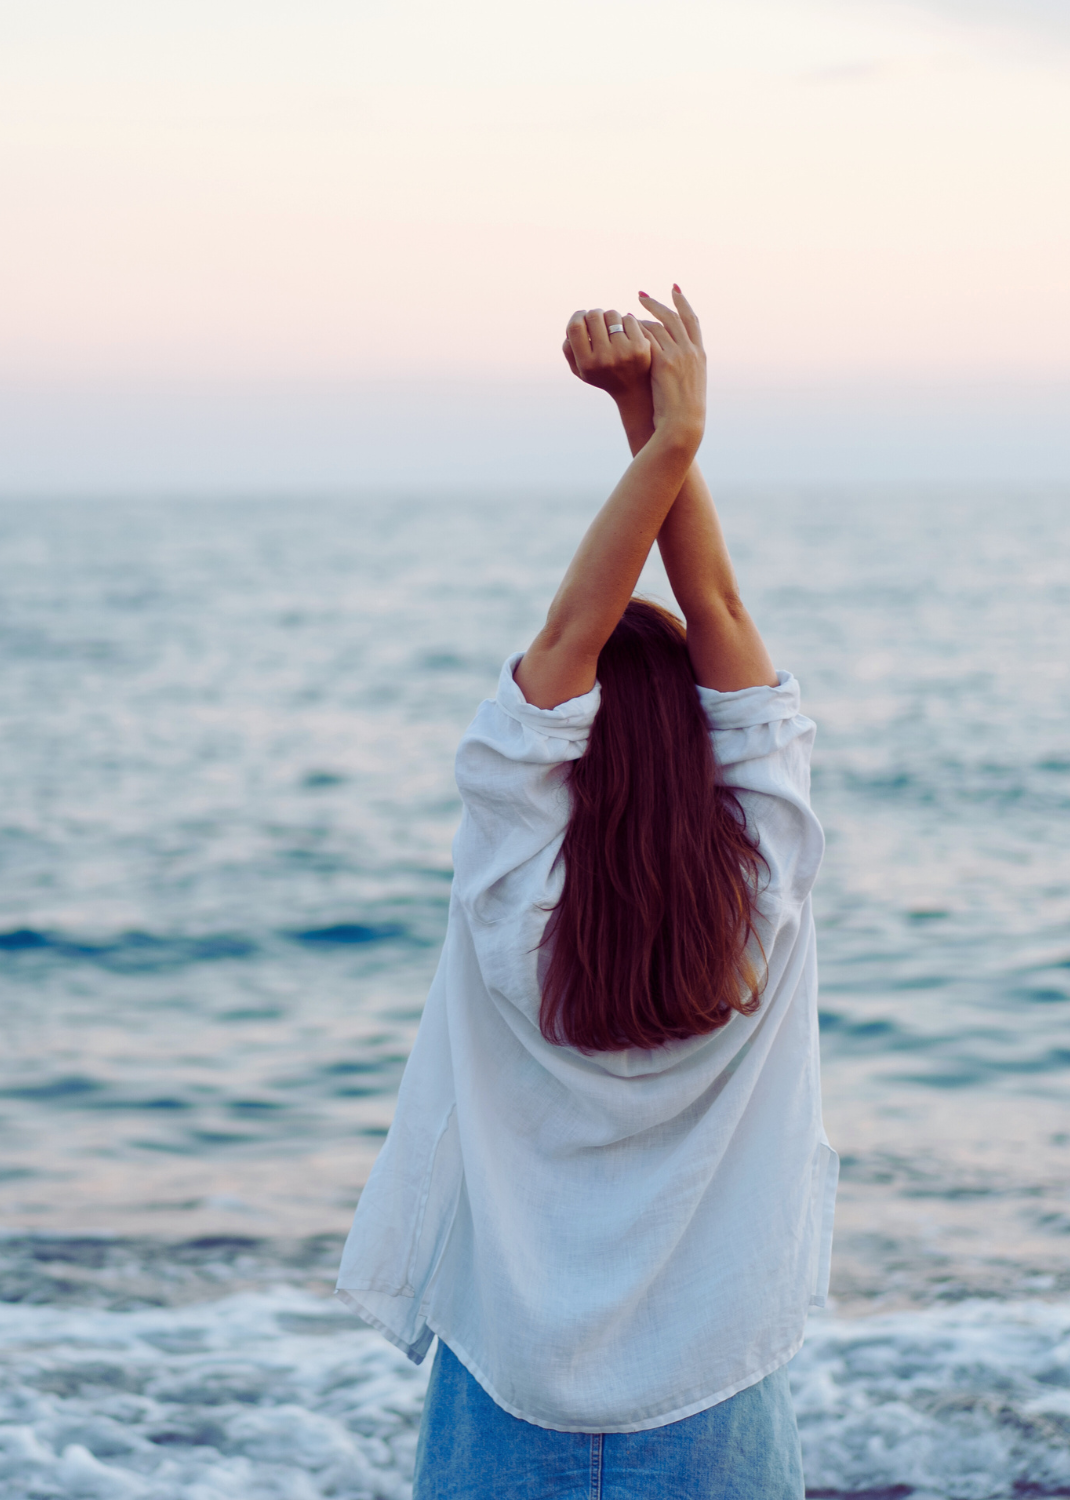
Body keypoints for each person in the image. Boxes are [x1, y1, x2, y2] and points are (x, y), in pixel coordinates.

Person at [334, 289, 834, 1499]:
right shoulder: (761, 883)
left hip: (509, 1383)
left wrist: (656, 437)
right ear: (698, 753)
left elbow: (570, 638)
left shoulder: (511, 887)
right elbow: (715, 611)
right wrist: (664, 432)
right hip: (714, 1385)